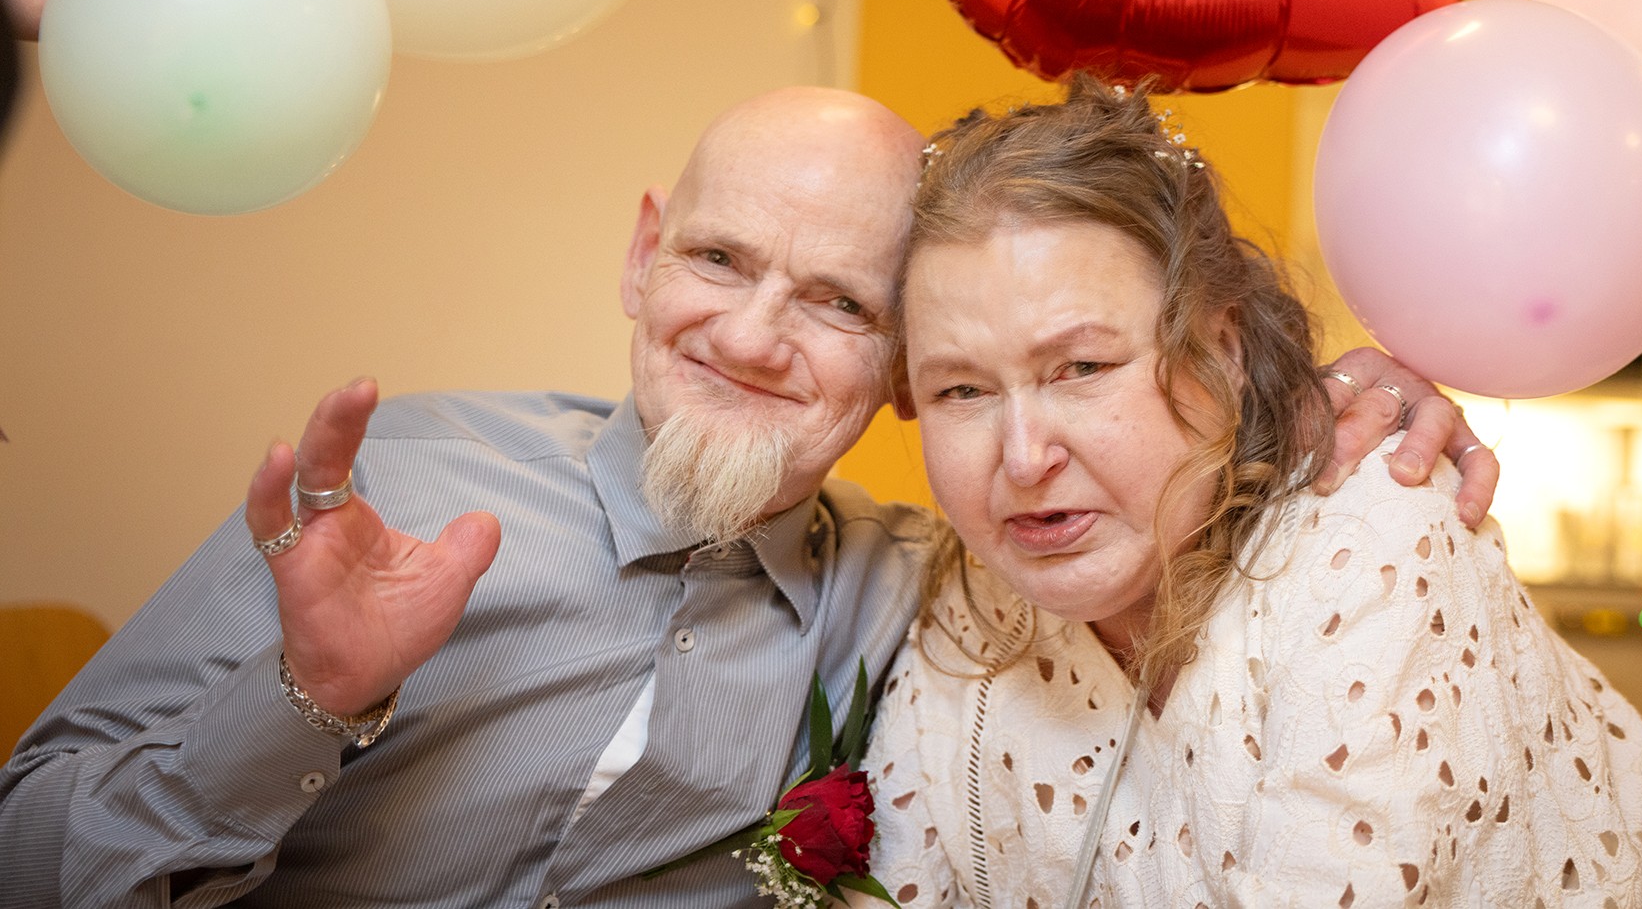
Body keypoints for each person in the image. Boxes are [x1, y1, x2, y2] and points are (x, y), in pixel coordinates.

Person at [0, 86, 1491, 909]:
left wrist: (1319, 393)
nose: (754, 335)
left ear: (911, 370)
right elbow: (28, 857)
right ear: (646, 255)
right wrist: (299, 703)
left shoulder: (927, 594)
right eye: (718, 261)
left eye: (838, 299)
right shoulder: (390, 488)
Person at [861, 78, 1642, 908]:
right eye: (961, 391)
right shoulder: (966, 599)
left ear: (1226, 350)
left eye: (1083, 367)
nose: (1022, 458)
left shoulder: (1372, 545)